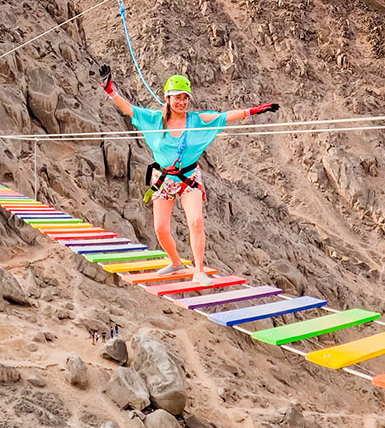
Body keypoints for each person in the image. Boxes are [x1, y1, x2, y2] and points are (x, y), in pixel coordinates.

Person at [98, 65, 278, 285]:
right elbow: (130, 109)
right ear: (167, 98)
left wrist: (253, 111)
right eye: (177, 98)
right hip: (163, 179)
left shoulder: (197, 120)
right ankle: (175, 262)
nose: (181, 102)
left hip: (189, 178)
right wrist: (110, 91)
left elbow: (224, 117)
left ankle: (199, 270)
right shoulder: (155, 119)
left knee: (196, 221)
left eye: (185, 98)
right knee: (161, 229)